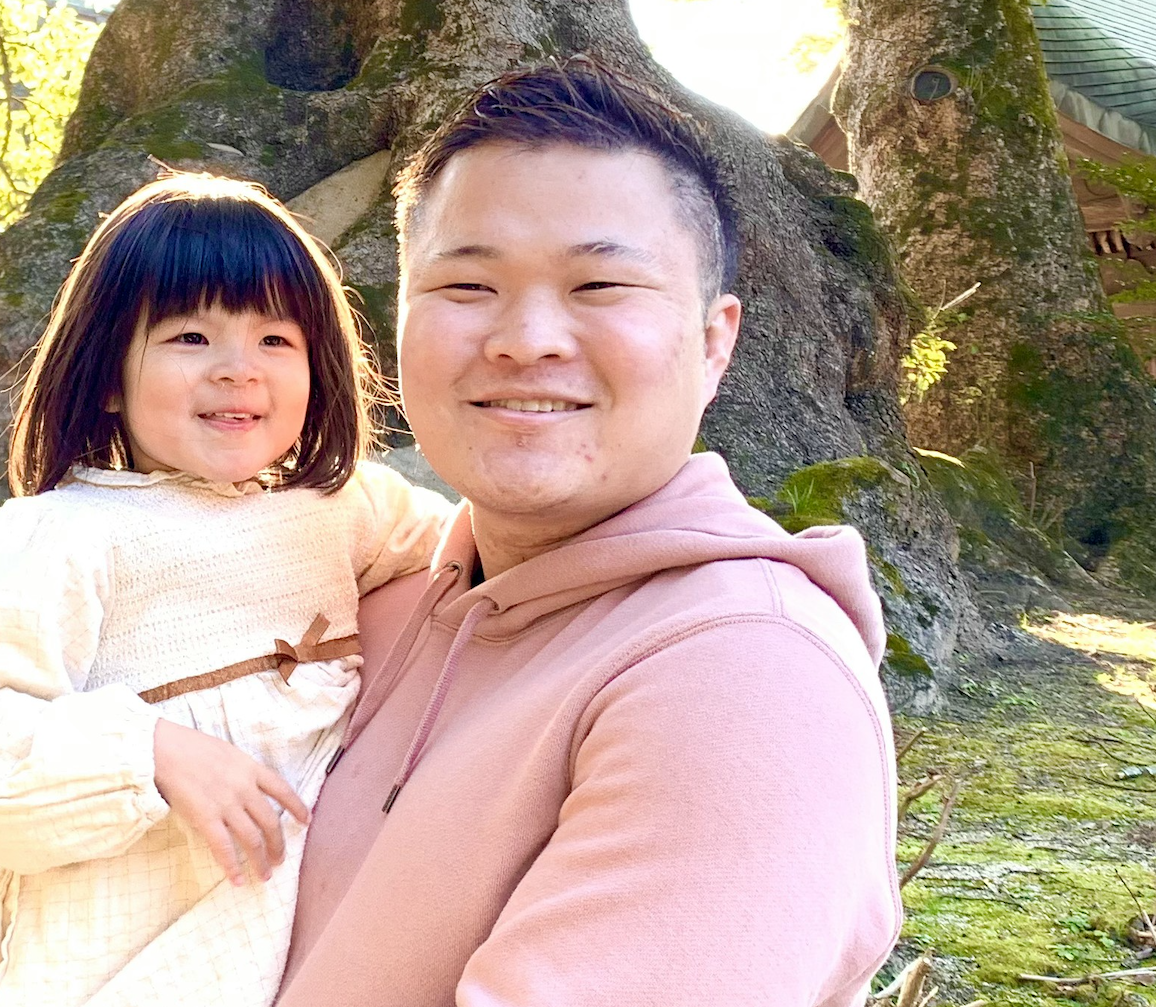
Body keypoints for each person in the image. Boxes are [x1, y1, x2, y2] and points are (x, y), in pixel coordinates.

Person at [279, 62, 903, 1006]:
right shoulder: (373, 599)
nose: (526, 338)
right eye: (467, 284)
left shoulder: (744, 675)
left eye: (600, 283)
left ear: (714, 342)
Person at [0, 176, 449, 1007]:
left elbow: (481, 554)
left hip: (305, 945)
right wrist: (149, 750)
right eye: (190, 336)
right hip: (119, 957)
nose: (237, 370)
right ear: (108, 375)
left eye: (275, 338)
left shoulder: (345, 507)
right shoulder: (61, 534)